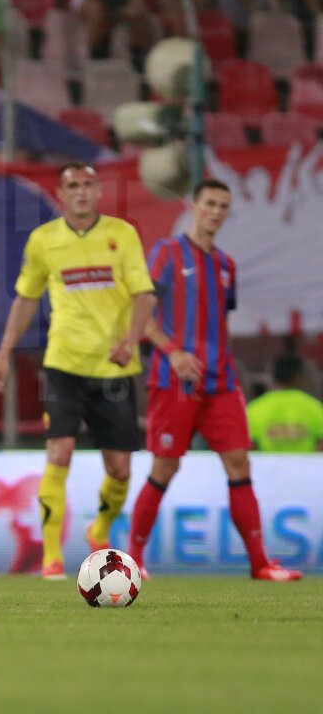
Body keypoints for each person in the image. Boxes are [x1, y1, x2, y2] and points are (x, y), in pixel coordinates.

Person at [0, 162, 156, 580]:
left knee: (119, 468)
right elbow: (26, 299)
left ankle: (98, 530)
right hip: (64, 364)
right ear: (61, 196)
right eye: (72, 186)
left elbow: (144, 295)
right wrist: (4, 352)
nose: (80, 192)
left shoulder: (122, 234)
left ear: (99, 191)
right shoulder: (44, 241)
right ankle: (51, 557)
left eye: (87, 184)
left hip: (115, 369)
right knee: (58, 454)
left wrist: (131, 339)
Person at [128, 180, 302, 582]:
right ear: (194, 205)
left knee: (240, 464)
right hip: (174, 381)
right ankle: (133, 558)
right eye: (210, 203)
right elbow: (142, 313)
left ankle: (260, 564)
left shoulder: (226, 265)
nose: (216, 212)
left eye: (224, 206)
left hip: (220, 381)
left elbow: (217, 320)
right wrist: (172, 350)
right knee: (165, 466)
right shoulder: (167, 253)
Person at [248, 353, 323, 453]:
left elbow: (250, 450)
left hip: (267, 468)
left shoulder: (254, 409)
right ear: (298, 376)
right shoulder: (314, 407)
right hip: (305, 467)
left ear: (273, 376)